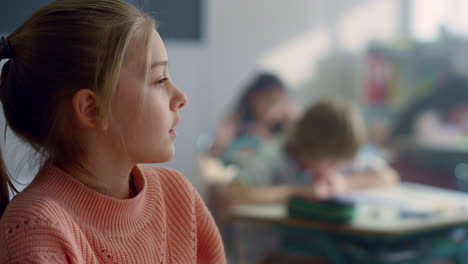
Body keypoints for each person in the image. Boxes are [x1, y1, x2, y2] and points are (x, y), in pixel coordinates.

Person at [0, 1, 225, 263]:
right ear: (92, 108)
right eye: (159, 80)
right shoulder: (37, 229)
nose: (181, 97)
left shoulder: (178, 195)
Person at [226, 98, 399, 205]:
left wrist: (344, 183)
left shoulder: (338, 156)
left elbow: (388, 176)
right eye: (332, 162)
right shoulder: (273, 155)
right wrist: (296, 191)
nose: (338, 167)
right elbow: (234, 193)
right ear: (309, 149)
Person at [210, 73, 298, 165]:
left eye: (277, 100)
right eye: (268, 99)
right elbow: (217, 150)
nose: (272, 105)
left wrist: (291, 119)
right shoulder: (236, 119)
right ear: (252, 97)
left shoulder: (284, 124)